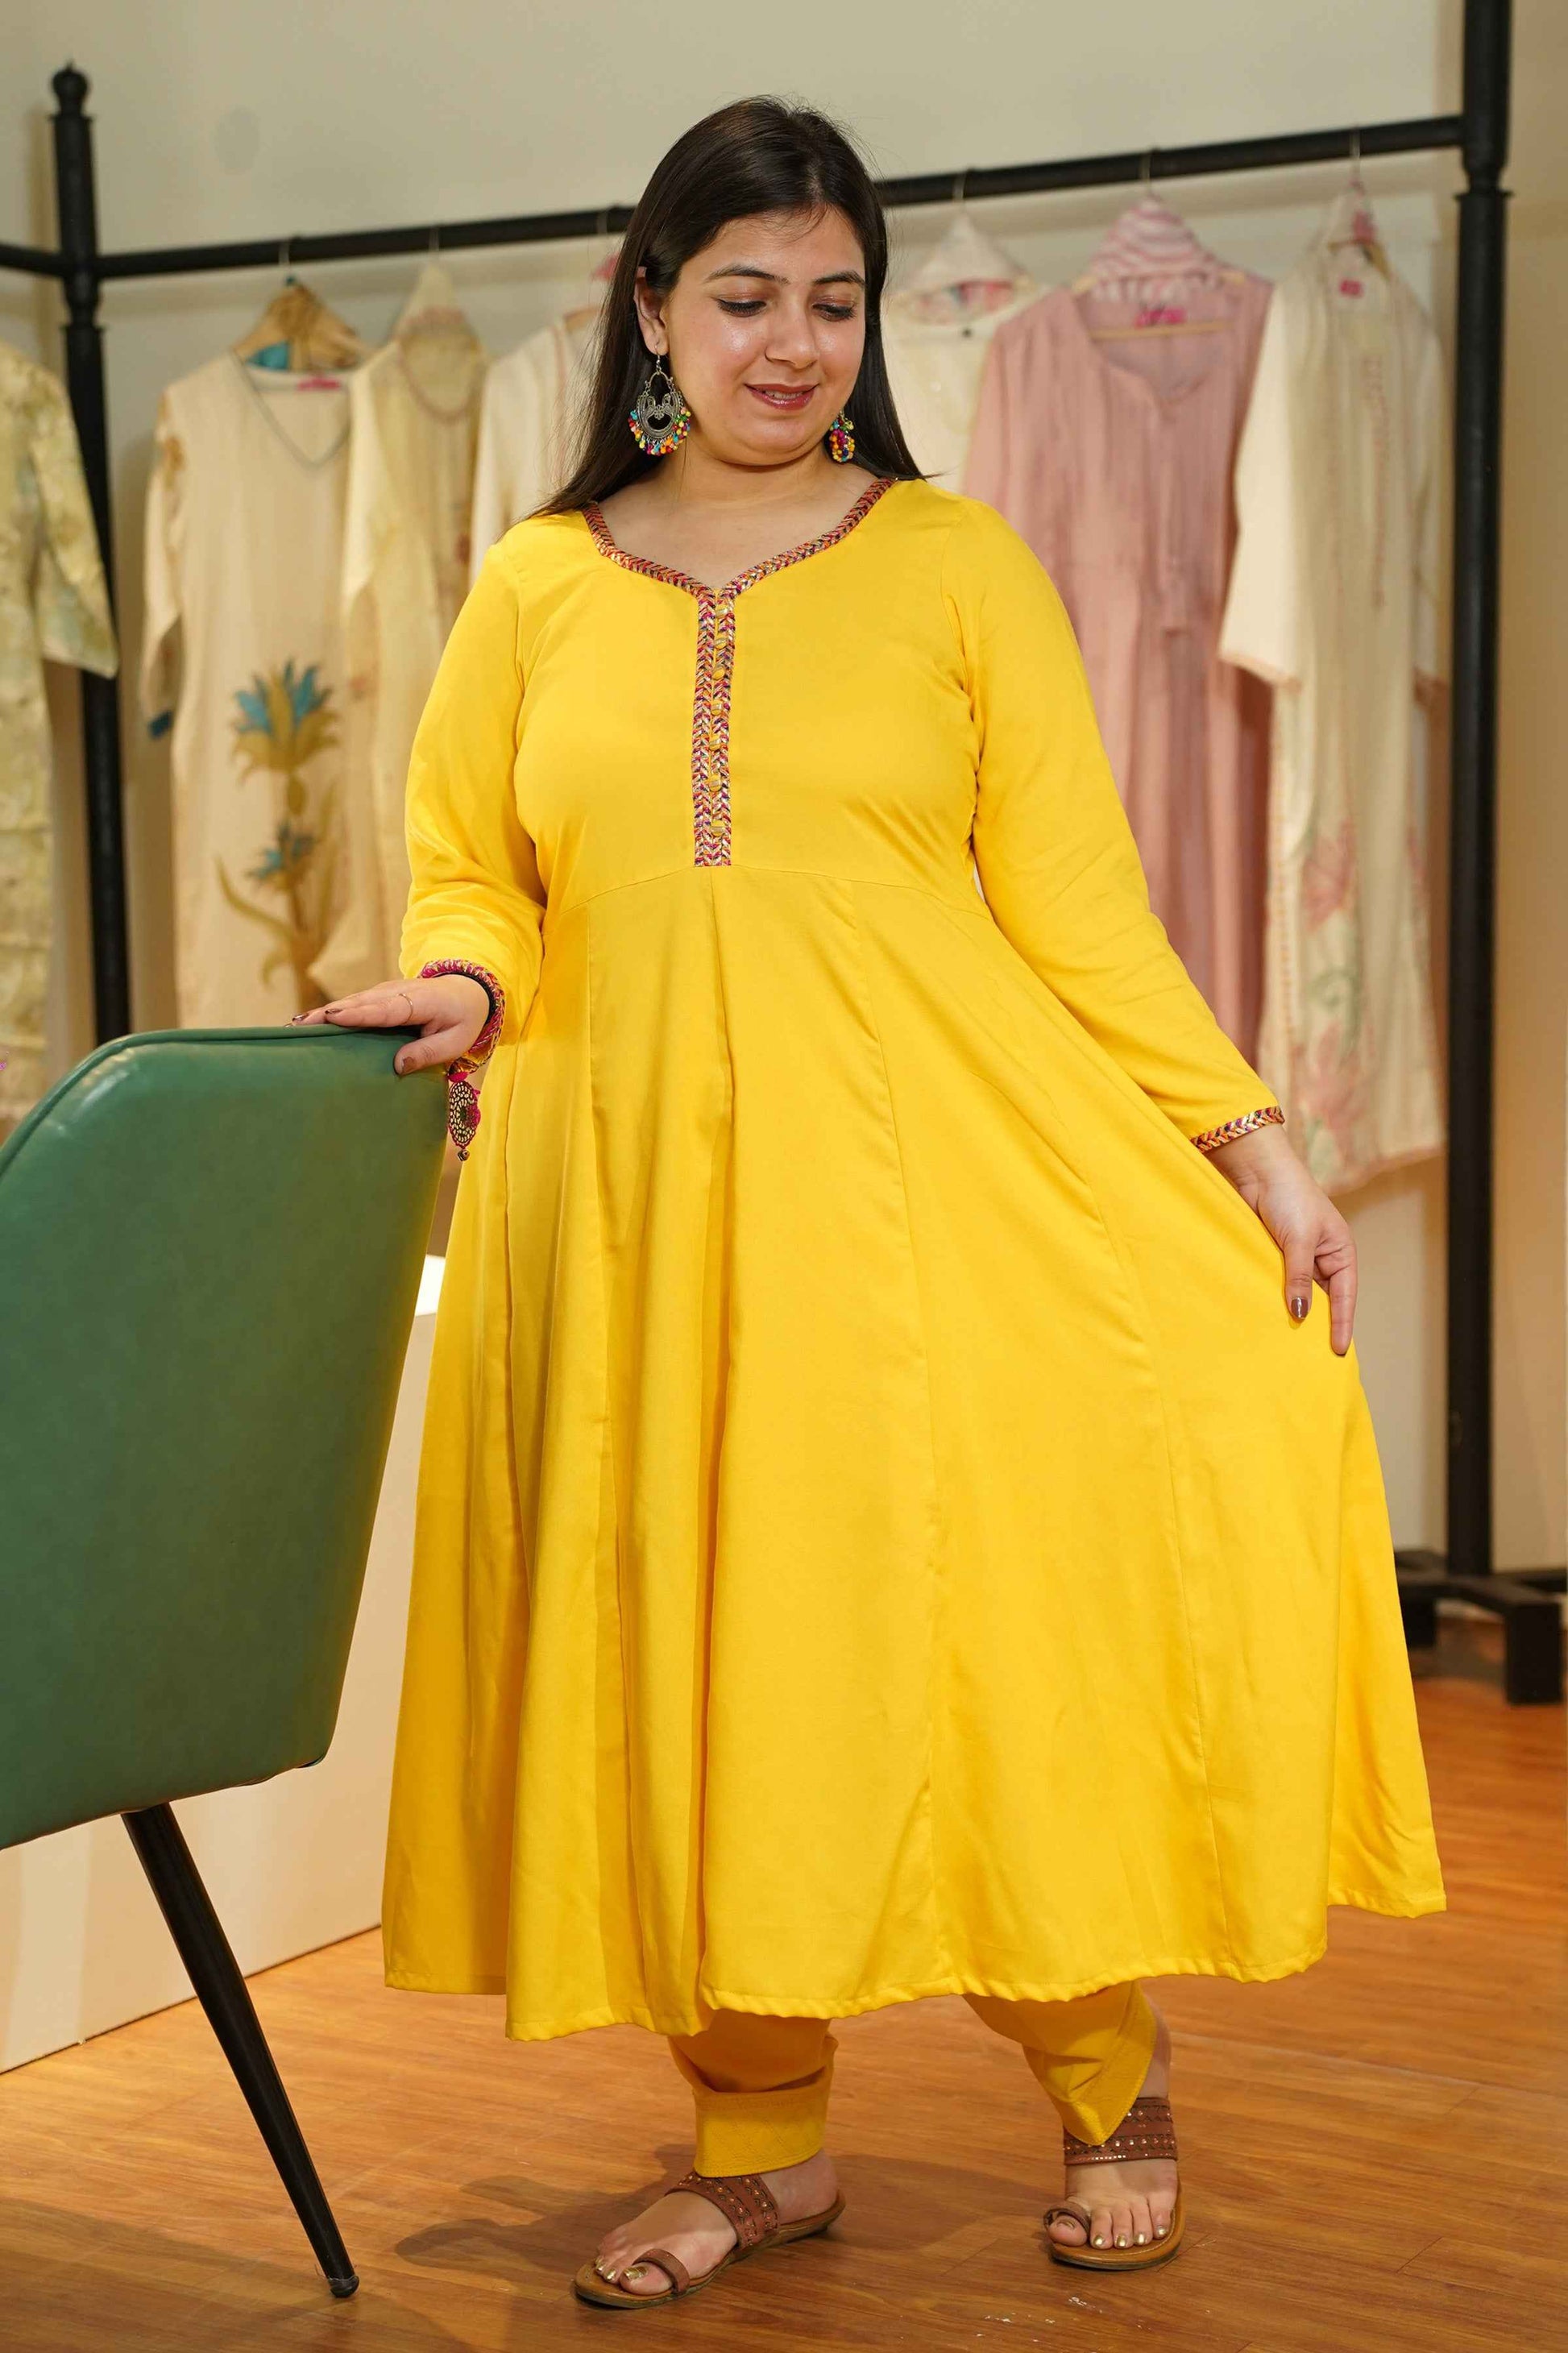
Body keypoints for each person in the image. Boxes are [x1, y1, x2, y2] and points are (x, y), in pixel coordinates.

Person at [298, 94, 1445, 2311]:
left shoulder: (954, 564)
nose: (792, 343)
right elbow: (473, 868)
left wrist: (1252, 1142)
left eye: (834, 302)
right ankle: (757, 2142)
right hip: (628, 1207)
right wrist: (466, 981)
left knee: (964, 1639)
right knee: (691, 1659)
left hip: (917, 1210)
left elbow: (1081, 909)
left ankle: (1105, 2068)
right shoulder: (537, 583)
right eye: (745, 297)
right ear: (651, 306)